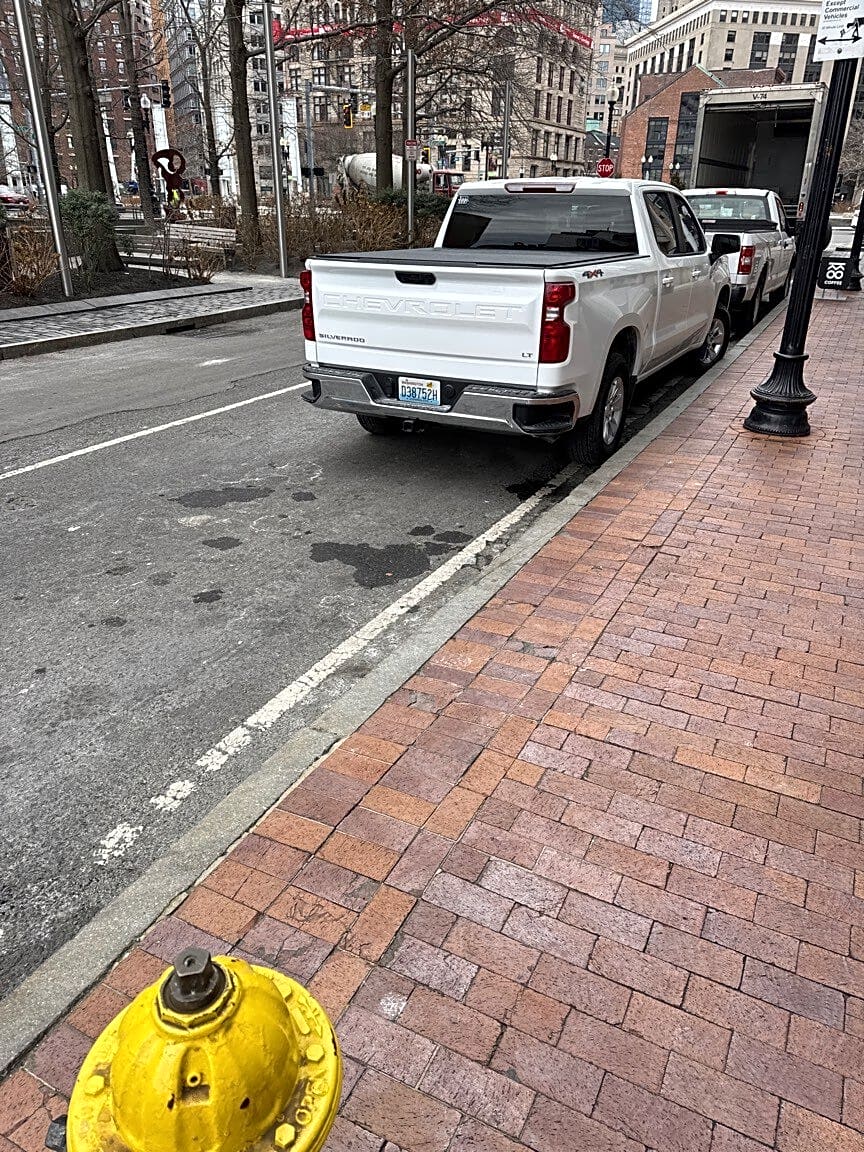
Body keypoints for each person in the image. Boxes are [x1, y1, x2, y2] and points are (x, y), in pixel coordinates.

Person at [152, 148, 187, 218]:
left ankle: (174, 211)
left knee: (175, 198)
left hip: (174, 191)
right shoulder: (171, 175)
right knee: (174, 198)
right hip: (173, 191)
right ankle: (174, 211)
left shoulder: (172, 175)